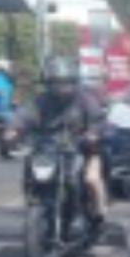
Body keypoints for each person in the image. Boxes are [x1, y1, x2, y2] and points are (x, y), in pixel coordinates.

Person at [7, 57, 108, 230]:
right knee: (32, 172)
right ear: (48, 84)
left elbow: (98, 119)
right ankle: (35, 202)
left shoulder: (84, 99)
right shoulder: (41, 101)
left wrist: (93, 133)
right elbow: (24, 115)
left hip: (84, 150)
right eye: (56, 83)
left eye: (65, 83)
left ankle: (95, 214)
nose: (61, 87)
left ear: (73, 81)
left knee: (89, 179)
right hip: (50, 150)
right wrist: (13, 130)